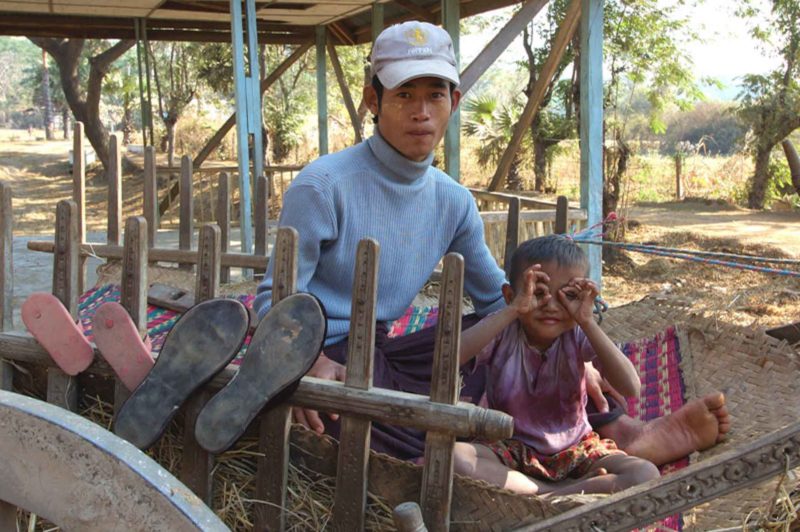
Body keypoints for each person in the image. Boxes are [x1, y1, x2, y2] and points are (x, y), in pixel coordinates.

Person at [254, 20, 730, 464]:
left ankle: (619, 432)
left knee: (503, 339)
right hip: (324, 352)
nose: (421, 112)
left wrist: (559, 350)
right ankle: (526, 461)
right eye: (404, 95)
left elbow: (496, 301)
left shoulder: (452, 201)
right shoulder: (323, 186)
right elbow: (267, 301)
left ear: (453, 103)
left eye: (434, 96)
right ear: (372, 101)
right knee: (387, 431)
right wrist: (308, 360)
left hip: (385, 353)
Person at [453, 235, 659, 495]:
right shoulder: (503, 331)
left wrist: (586, 321)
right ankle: (560, 492)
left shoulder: (577, 334)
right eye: (538, 293)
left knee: (645, 473)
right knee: (457, 458)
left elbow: (631, 387)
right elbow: (450, 356)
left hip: (576, 450)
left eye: (567, 296)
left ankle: (544, 493)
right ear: (509, 294)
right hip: (509, 448)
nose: (551, 305)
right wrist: (513, 310)